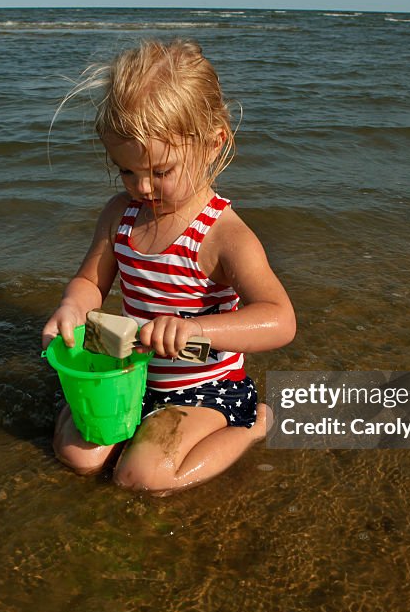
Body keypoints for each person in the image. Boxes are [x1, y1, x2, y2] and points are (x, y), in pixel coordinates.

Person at [42, 39, 296, 494]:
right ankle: (112, 426)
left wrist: (198, 331)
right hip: (131, 372)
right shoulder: (120, 214)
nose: (141, 187)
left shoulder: (223, 235)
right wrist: (71, 309)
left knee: (142, 477)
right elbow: (88, 281)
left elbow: (280, 319)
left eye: (160, 172)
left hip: (204, 386)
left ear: (214, 143)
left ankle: (251, 428)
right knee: (79, 458)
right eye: (126, 171)